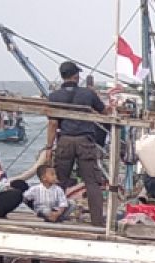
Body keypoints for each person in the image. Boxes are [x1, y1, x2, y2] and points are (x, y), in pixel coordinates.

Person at [45, 61, 107, 227]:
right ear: (76, 76)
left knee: (60, 181)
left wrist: (49, 148)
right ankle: (97, 221)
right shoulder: (88, 94)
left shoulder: (54, 96)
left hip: (64, 140)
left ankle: (53, 216)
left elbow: (52, 124)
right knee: (92, 182)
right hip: (85, 141)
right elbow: (104, 111)